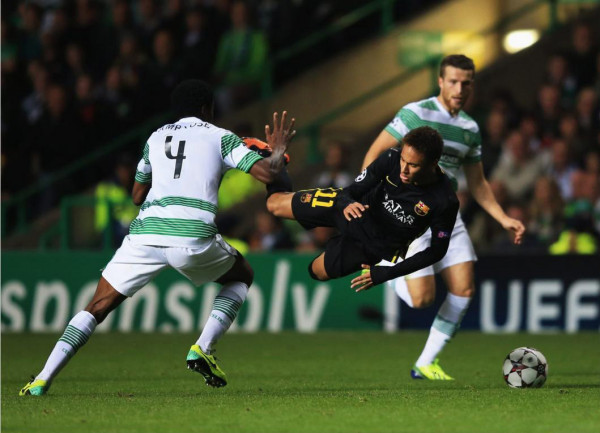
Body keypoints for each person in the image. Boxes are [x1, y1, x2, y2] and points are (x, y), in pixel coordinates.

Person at [19, 79, 296, 396]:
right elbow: (268, 174)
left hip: (146, 233)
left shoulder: (155, 137)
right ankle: (203, 347)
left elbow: (137, 195)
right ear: (207, 109)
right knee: (242, 276)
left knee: (96, 306)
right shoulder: (220, 136)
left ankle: (43, 377)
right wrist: (277, 151)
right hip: (192, 232)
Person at [362, 54, 525, 380]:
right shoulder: (415, 113)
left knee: (464, 289)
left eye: (466, 83)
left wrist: (503, 218)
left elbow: (478, 183)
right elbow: (375, 152)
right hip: (412, 214)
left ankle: (425, 362)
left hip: (448, 214)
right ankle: (389, 268)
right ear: (440, 81)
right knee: (422, 300)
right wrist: (370, 198)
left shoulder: (469, 129)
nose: (459, 88)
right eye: (453, 81)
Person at [266, 126, 459, 292]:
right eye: (403, 160)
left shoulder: (445, 200)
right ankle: (276, 155)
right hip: (352, 209)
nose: (404, 170)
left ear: (433, 163)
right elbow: (351, 191)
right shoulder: (392, 158)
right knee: (273, 205)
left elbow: (437, 251)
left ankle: (336, 248)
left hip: (375, 243)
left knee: (316, 272)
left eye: (413, 165)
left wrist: (387, 273)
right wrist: (346, 202)